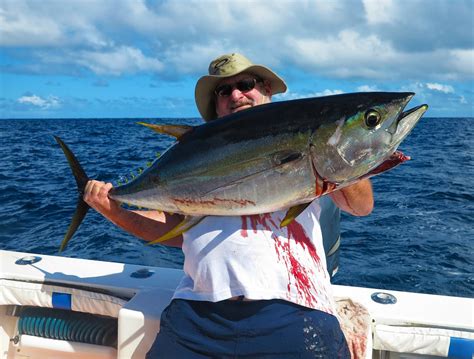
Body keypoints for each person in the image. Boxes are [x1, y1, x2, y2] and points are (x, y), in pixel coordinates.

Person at [84, 53, 374, 358]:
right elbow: (173, 232)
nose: (236, 94)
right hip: (197, 315)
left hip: (295, 309)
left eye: (245, 84)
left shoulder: (304, 139)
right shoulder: (194, 156)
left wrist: (336, 152)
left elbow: (362, 206)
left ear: (267, 90)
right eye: (224, 91)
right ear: (216, 104)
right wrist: (113, 209)